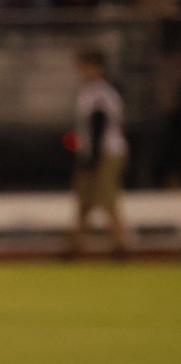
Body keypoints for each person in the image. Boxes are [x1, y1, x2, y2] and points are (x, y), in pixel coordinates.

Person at [68, 49, 130, 259]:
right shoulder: (91, 91)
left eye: (85, 66)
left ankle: (120, 244)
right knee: (84, 199)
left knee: (106, 197)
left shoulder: (100, 93)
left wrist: (92, 159)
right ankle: (75, 245)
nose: (81, 71)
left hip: (106, 152)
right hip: (96, 152)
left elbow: (99, 126)